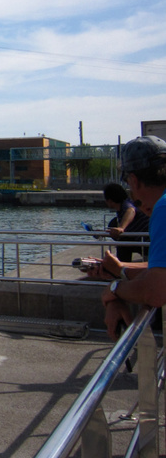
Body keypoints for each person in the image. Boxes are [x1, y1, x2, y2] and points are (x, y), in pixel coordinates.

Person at [99, 136, 166, 339]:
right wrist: (122, 270)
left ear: (134, 180)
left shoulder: (163, 208)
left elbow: (155, 291)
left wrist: (114, 289)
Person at [102, 182, 150, 262]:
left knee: (123, 242)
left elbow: (131, 211)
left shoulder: (126, 204)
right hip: (141, 240)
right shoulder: (122, 210)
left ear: (110, 200)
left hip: (147, 242)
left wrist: (121, 228)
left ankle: (120, 268)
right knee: (123, 240)